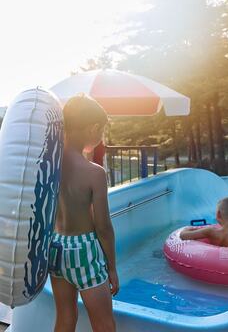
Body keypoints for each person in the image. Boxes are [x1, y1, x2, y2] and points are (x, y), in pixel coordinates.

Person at [49, 94, 119, 332]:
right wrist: (112, 267)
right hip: (84, 250)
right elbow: (103, 227)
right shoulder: (94, 173)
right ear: (93, 128)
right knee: (104, 324)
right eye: (101, 132)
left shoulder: (49, 165)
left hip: (56, 246)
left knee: (65, 318)